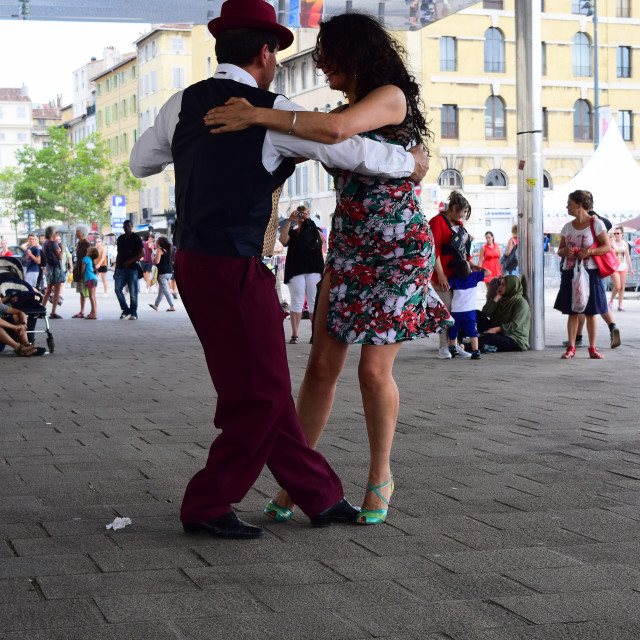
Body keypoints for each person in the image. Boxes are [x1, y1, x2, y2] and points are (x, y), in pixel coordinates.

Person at [130, 0, 429, 538]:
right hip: (236, 266)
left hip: (193, 264)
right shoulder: (274, 112)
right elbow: (351, 151)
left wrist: (196, 149)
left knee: (256, 385)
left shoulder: (182, 103)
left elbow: (141, 163)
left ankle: (319, 494)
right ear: (266, 53)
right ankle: (207, 503)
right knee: (261, 395)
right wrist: (411, 163)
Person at [205, 10, 451, 525]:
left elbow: (336, 130)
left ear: (353, 52)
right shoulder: (341, 108)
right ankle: (302, 481)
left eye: (325, 55)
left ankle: (380, 474)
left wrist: (256, 113)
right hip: (348, 247)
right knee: (320, 368)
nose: (319, 64)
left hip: (396, 250)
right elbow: (320, 131)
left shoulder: (389, 98)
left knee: (371, 369)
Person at [554, 190, 611, 359]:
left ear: (579, 204)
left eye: (570, 203)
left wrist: (589, 251)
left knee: (591, 311)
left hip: (591, 272)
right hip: (570, 272)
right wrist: (565, 251)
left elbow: (607, 247)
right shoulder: (567, 227)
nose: (567, 207)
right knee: (572, 311)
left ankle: (592, 348)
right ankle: (571, 347)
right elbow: (560, 251)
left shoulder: (596, 224)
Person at [429, 191, 472, 359]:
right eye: (464, 212)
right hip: (442, 275)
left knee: (457, 311)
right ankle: (443, 346)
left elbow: (462, 250)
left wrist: (472, 265)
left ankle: (455, 345)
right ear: (454, 208)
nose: (464, 216)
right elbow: (434, 251)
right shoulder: (437, 222)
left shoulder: (458, 223)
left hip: (457, 276)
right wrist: (440, 274)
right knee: (445, 310)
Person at [279, 205, 324, 343]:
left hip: (314, 268)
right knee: (296, 301)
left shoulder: (315, 230)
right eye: (299, 214)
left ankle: (314, 334)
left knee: (313, 302)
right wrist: (289, 220)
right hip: (296, 269)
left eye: (304, 213)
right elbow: (283, 240)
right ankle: (294, 334)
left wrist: (310, 221)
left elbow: (322, 240)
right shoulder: (293, 232)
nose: (301, 216)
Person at [448, 260, 490, 359]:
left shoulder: (454, 278)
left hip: (456, 311)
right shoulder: (474, 276)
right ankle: (475, 351)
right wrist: (478, 268)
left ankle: (452, 348)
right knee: (472, 332)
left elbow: (447, 287)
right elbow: (489, 273)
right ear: (470, 271)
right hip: (469, 311)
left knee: (453, 330)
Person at [476, 274, 531, 352]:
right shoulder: (503, 299)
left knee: (490, 338)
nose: (500, 287)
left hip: (514, 339)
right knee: (476, 314)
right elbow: (485, 312)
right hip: (499, 333)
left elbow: (515, 324)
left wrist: (496, 329)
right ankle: (458, 339)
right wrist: (497, 297)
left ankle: (464, 346)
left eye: (503, 285)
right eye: (500, 284)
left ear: (511, 286)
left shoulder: (521, 302)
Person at [114, 220, 144, 320]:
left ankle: (133, 313)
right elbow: (118, 254)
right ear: (123, 227)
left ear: (131, 227)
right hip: (121, 268)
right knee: (117, 289)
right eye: (125, 226)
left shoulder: (136, 237)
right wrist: (116, 270)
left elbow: (142, 253)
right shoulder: (121, 238)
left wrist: (130, 261)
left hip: (133, 268)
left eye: (129, 225)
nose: (127, 227)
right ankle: (125, 309)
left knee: (133, 292)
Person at [40, 226, 65, 319]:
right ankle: (53, 312)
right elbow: (59, 257)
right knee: (57, 291)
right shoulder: (54, 243)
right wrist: (61, 248)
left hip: (49, 268)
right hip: (56, 269)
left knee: (48, 290)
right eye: (56, 232)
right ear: (52, 233)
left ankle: (41, 310)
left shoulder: (45, 243)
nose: (57, 234)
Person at [148, 236, 176, 312]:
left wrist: (154, 257)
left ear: (159, 243)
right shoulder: (168, 249)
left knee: (166, 290)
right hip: (169, 272)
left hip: (162, 273)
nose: (155, 244)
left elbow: (157, 262)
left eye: (156, 242)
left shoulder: (159, 250)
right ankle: (156, 305)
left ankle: (172, 306)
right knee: (161, 290)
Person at [609, 226, 634, 311]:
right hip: (614, 267)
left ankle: (620, 305)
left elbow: (627, 257)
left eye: (618, 233)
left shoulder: (625, 244)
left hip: (623, 267)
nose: (616, 235)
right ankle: (611, 301)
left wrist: (631, 268)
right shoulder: (612, 243)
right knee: (617, 286)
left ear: (622, 234)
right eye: (615, 233)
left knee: (622, 287)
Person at [71, 225, 91, 319]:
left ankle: (91, 311)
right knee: (81, 292)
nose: (76, 233)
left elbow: (88, 259)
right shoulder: (79, 243)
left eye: (77, 231)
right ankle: (82, 311)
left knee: (88, 291)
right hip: (79, 270)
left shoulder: (87, 244)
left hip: (85, 271)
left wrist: (84, 271)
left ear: (82, 233)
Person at [82, 246, 99, 319]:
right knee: (93, 297)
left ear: (90, 252)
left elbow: (82, 270)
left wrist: (83, 279)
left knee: (91, 297)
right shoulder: (91, 260)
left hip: (89, 279)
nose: (89, 247)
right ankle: (93, 312)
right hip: (94, 278)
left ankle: (94, 314)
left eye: (91, 248)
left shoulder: (85, 259)